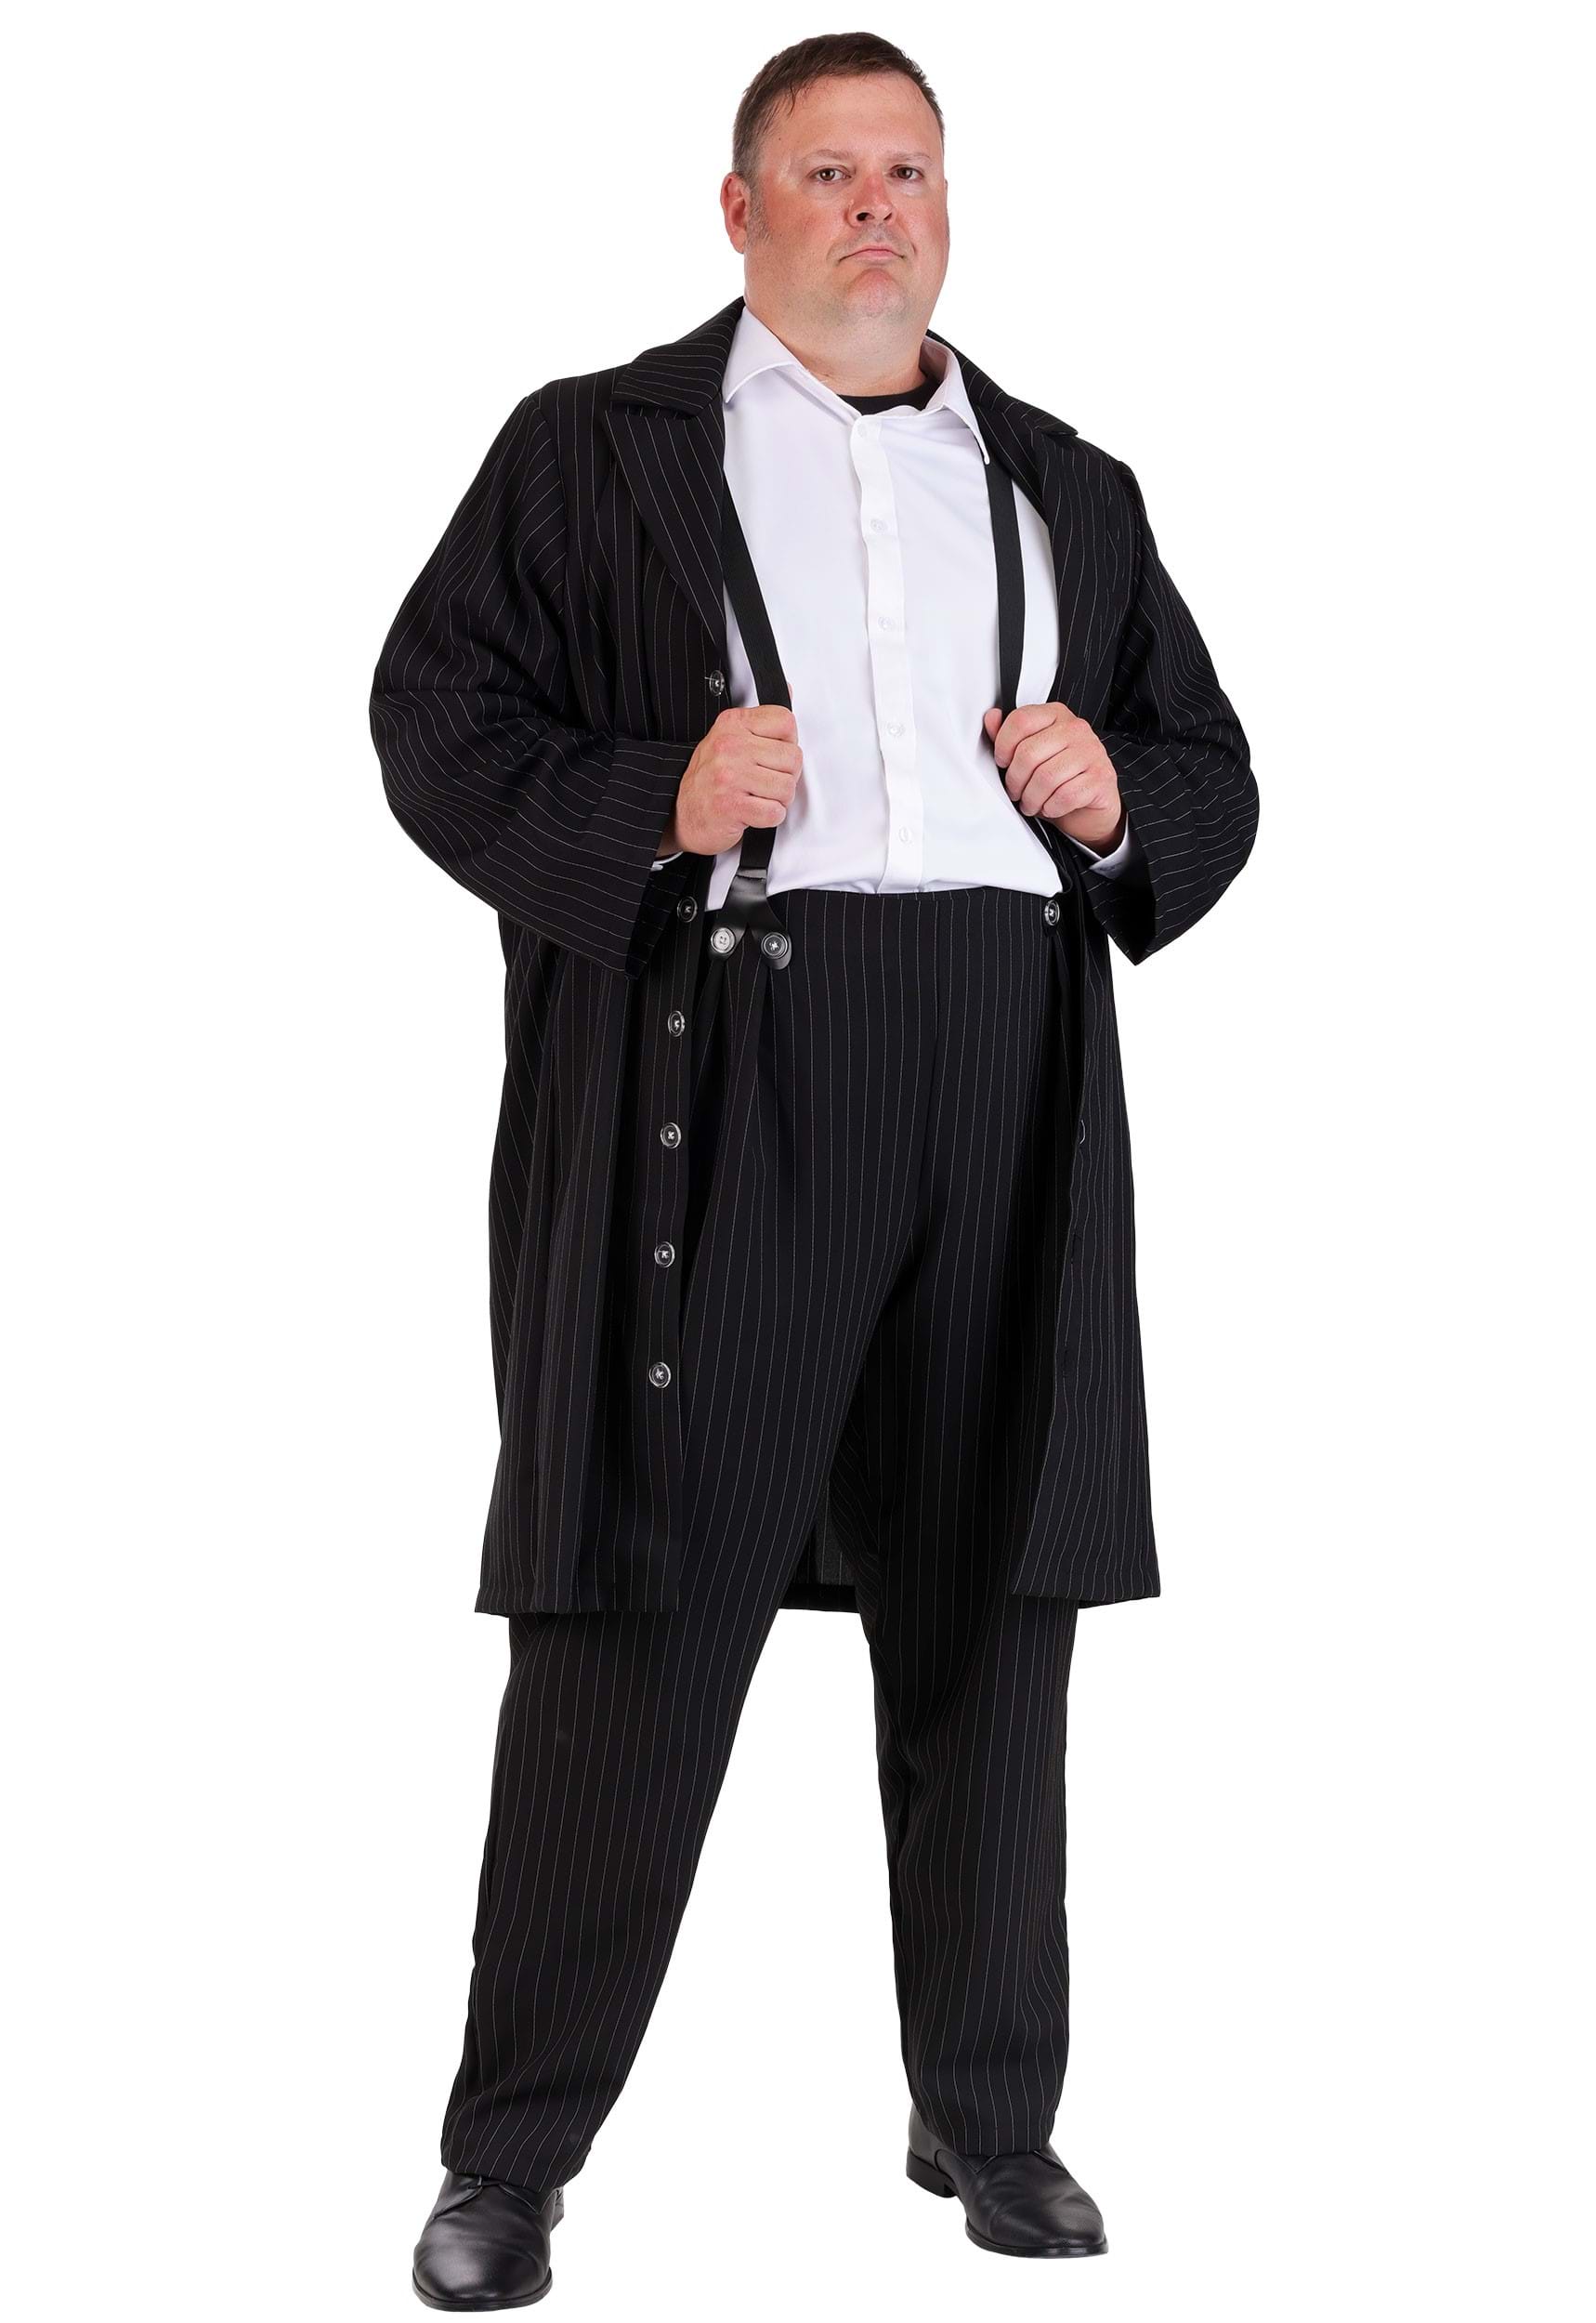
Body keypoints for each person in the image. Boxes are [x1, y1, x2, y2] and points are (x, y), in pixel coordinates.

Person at [371, 30, 1257, 2310]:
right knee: (637, 1616)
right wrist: (651, 800)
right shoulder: (594, 450)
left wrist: (1115, 798)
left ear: (945, 206)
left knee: (994, 1593)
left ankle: (989, 2115)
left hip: (1006, 1064)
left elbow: (1206, 764)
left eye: (907, 173)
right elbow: (433, 716)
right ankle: (508, 2155)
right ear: (739, 209)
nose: (875, 209)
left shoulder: (1063, 481)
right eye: (828, 172)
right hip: (727, 1060)